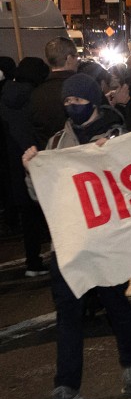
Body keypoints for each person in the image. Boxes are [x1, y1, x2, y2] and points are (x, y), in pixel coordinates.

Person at [22, 73, 131, 399]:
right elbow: (40, 196)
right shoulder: (55, 143)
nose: (72, 106)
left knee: (116, 305)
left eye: (78, 100)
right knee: (68, 313)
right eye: (67, 102)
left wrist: (111, 157)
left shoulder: (117, 133)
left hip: (107, 240)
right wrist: (33, 171)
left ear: (93, 100)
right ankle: (66, 386)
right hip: (70, 242)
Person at [0, 57, 51, 276]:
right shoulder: (36, 98)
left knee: (27, 215)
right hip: (34, 160)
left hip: (11, 164)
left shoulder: (4, 96)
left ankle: (32, 261)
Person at [30, 36, 80, 146]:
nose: (77, 61)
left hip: (47, 157)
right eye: (76, 56)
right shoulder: (82, 88)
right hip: (77, 157)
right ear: (69, 59)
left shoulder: (36, 93)